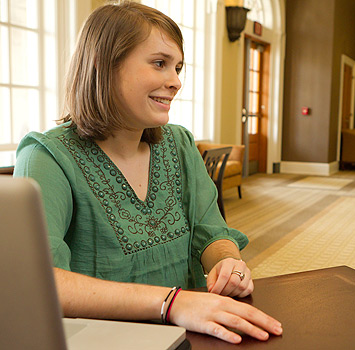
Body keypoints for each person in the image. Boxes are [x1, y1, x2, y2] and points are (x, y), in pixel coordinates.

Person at [14, 2, 282, 344]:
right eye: (160, 64)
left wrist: (229, 263)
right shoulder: (47, 156)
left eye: (178, 68)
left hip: (191, 335)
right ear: (104, 66)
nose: (175, 82)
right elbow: (41, 282)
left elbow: (212, 230)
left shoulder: (179, 143)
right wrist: (171, 303)